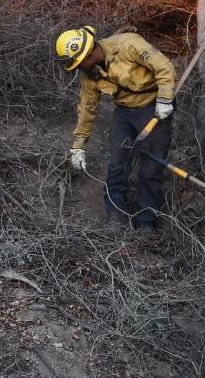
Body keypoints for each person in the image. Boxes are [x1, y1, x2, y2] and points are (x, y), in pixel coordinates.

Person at [55, 25, 177, 234]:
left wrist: (165, 99)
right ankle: (115, 216)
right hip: (125, 112)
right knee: (116, 163)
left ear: (90, 52)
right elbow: (87, 108)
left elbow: (164, 67)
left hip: (154, 107)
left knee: (151, 167)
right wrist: (78, 146)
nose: (77, 68)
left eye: (79, 62)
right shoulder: (89, 74)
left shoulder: (128, 44)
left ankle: (147, 223)